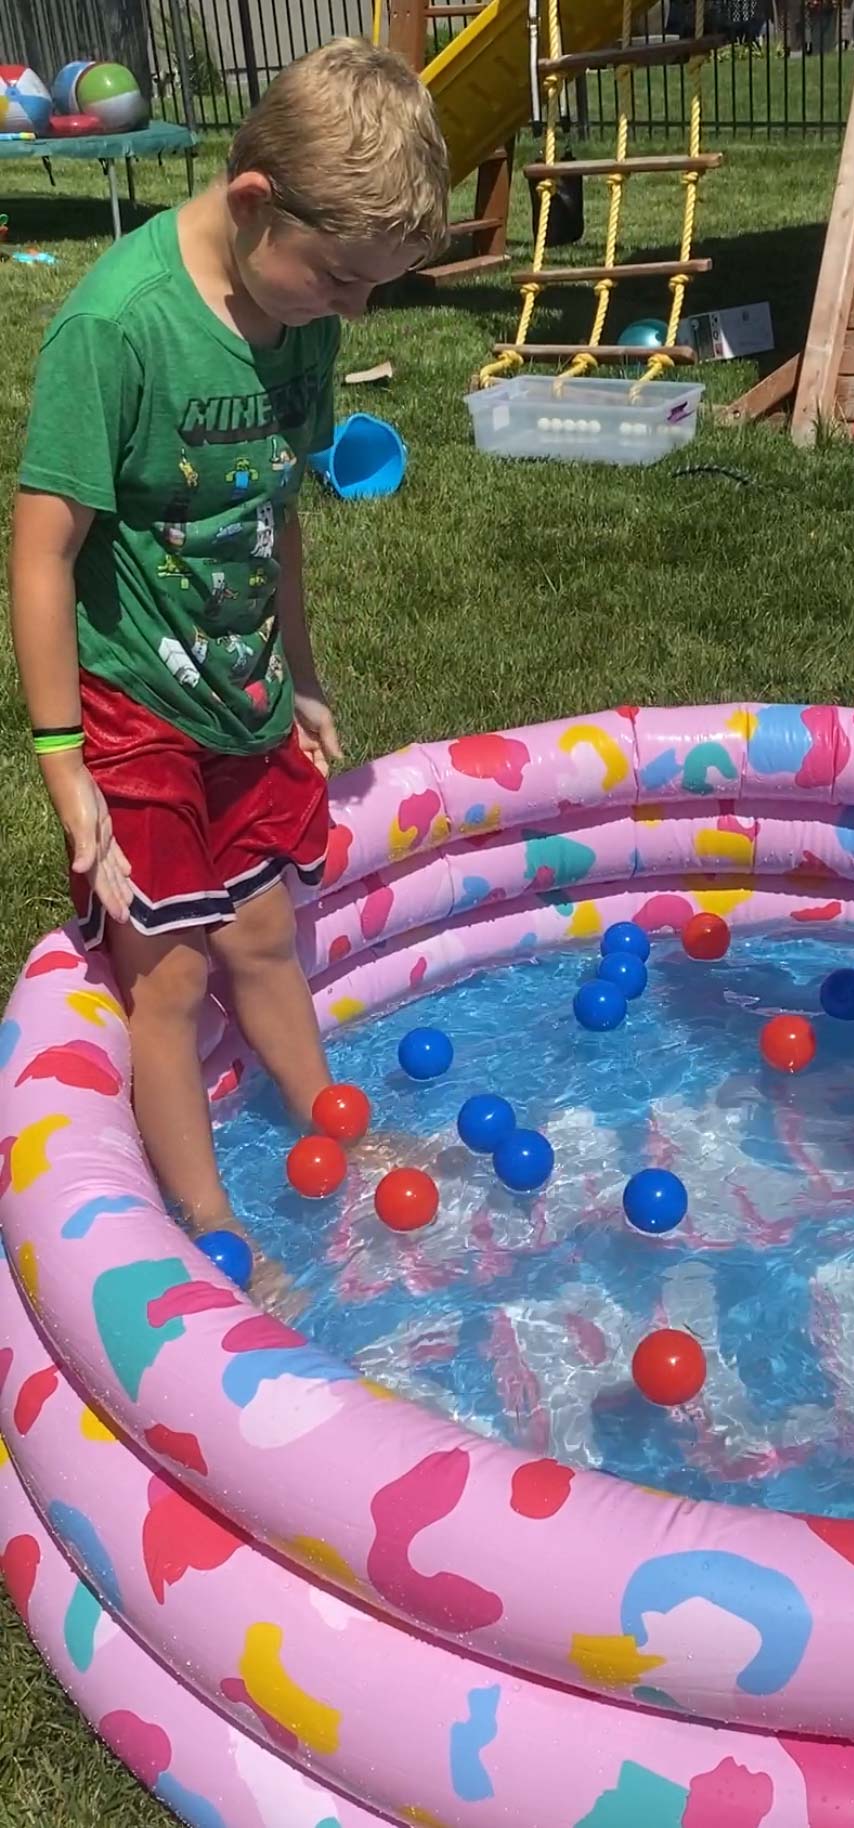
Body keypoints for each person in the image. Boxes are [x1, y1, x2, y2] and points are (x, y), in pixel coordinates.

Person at [8, 39, 449, 1290]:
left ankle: (332, 1129)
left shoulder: (294, 313)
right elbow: (41, 551)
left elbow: (276, 510)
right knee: (174, 972)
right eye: (341, 282)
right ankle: (212, 1232)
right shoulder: (120, 327)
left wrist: (299, 672)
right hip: (133, 708)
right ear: (256, 204)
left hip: (245, 695)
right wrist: (61, 761)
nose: (354, 314)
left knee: (261, 930)